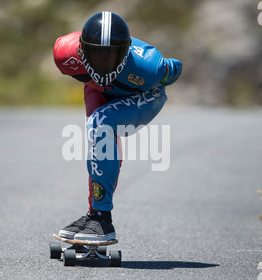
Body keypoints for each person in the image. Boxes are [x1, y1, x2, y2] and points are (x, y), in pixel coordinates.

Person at [53, 12, 182, 241]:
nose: (103, 66)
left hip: (146, 95)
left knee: (101, 124)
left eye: (112, 56)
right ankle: (95, 215)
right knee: (98, 141)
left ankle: (103, 220)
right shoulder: (65, 54)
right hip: (97, 90)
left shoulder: (150, 68)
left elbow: (175, 68)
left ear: (127, 52)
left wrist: (163, 71)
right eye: (96, 56)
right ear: (81, 50)